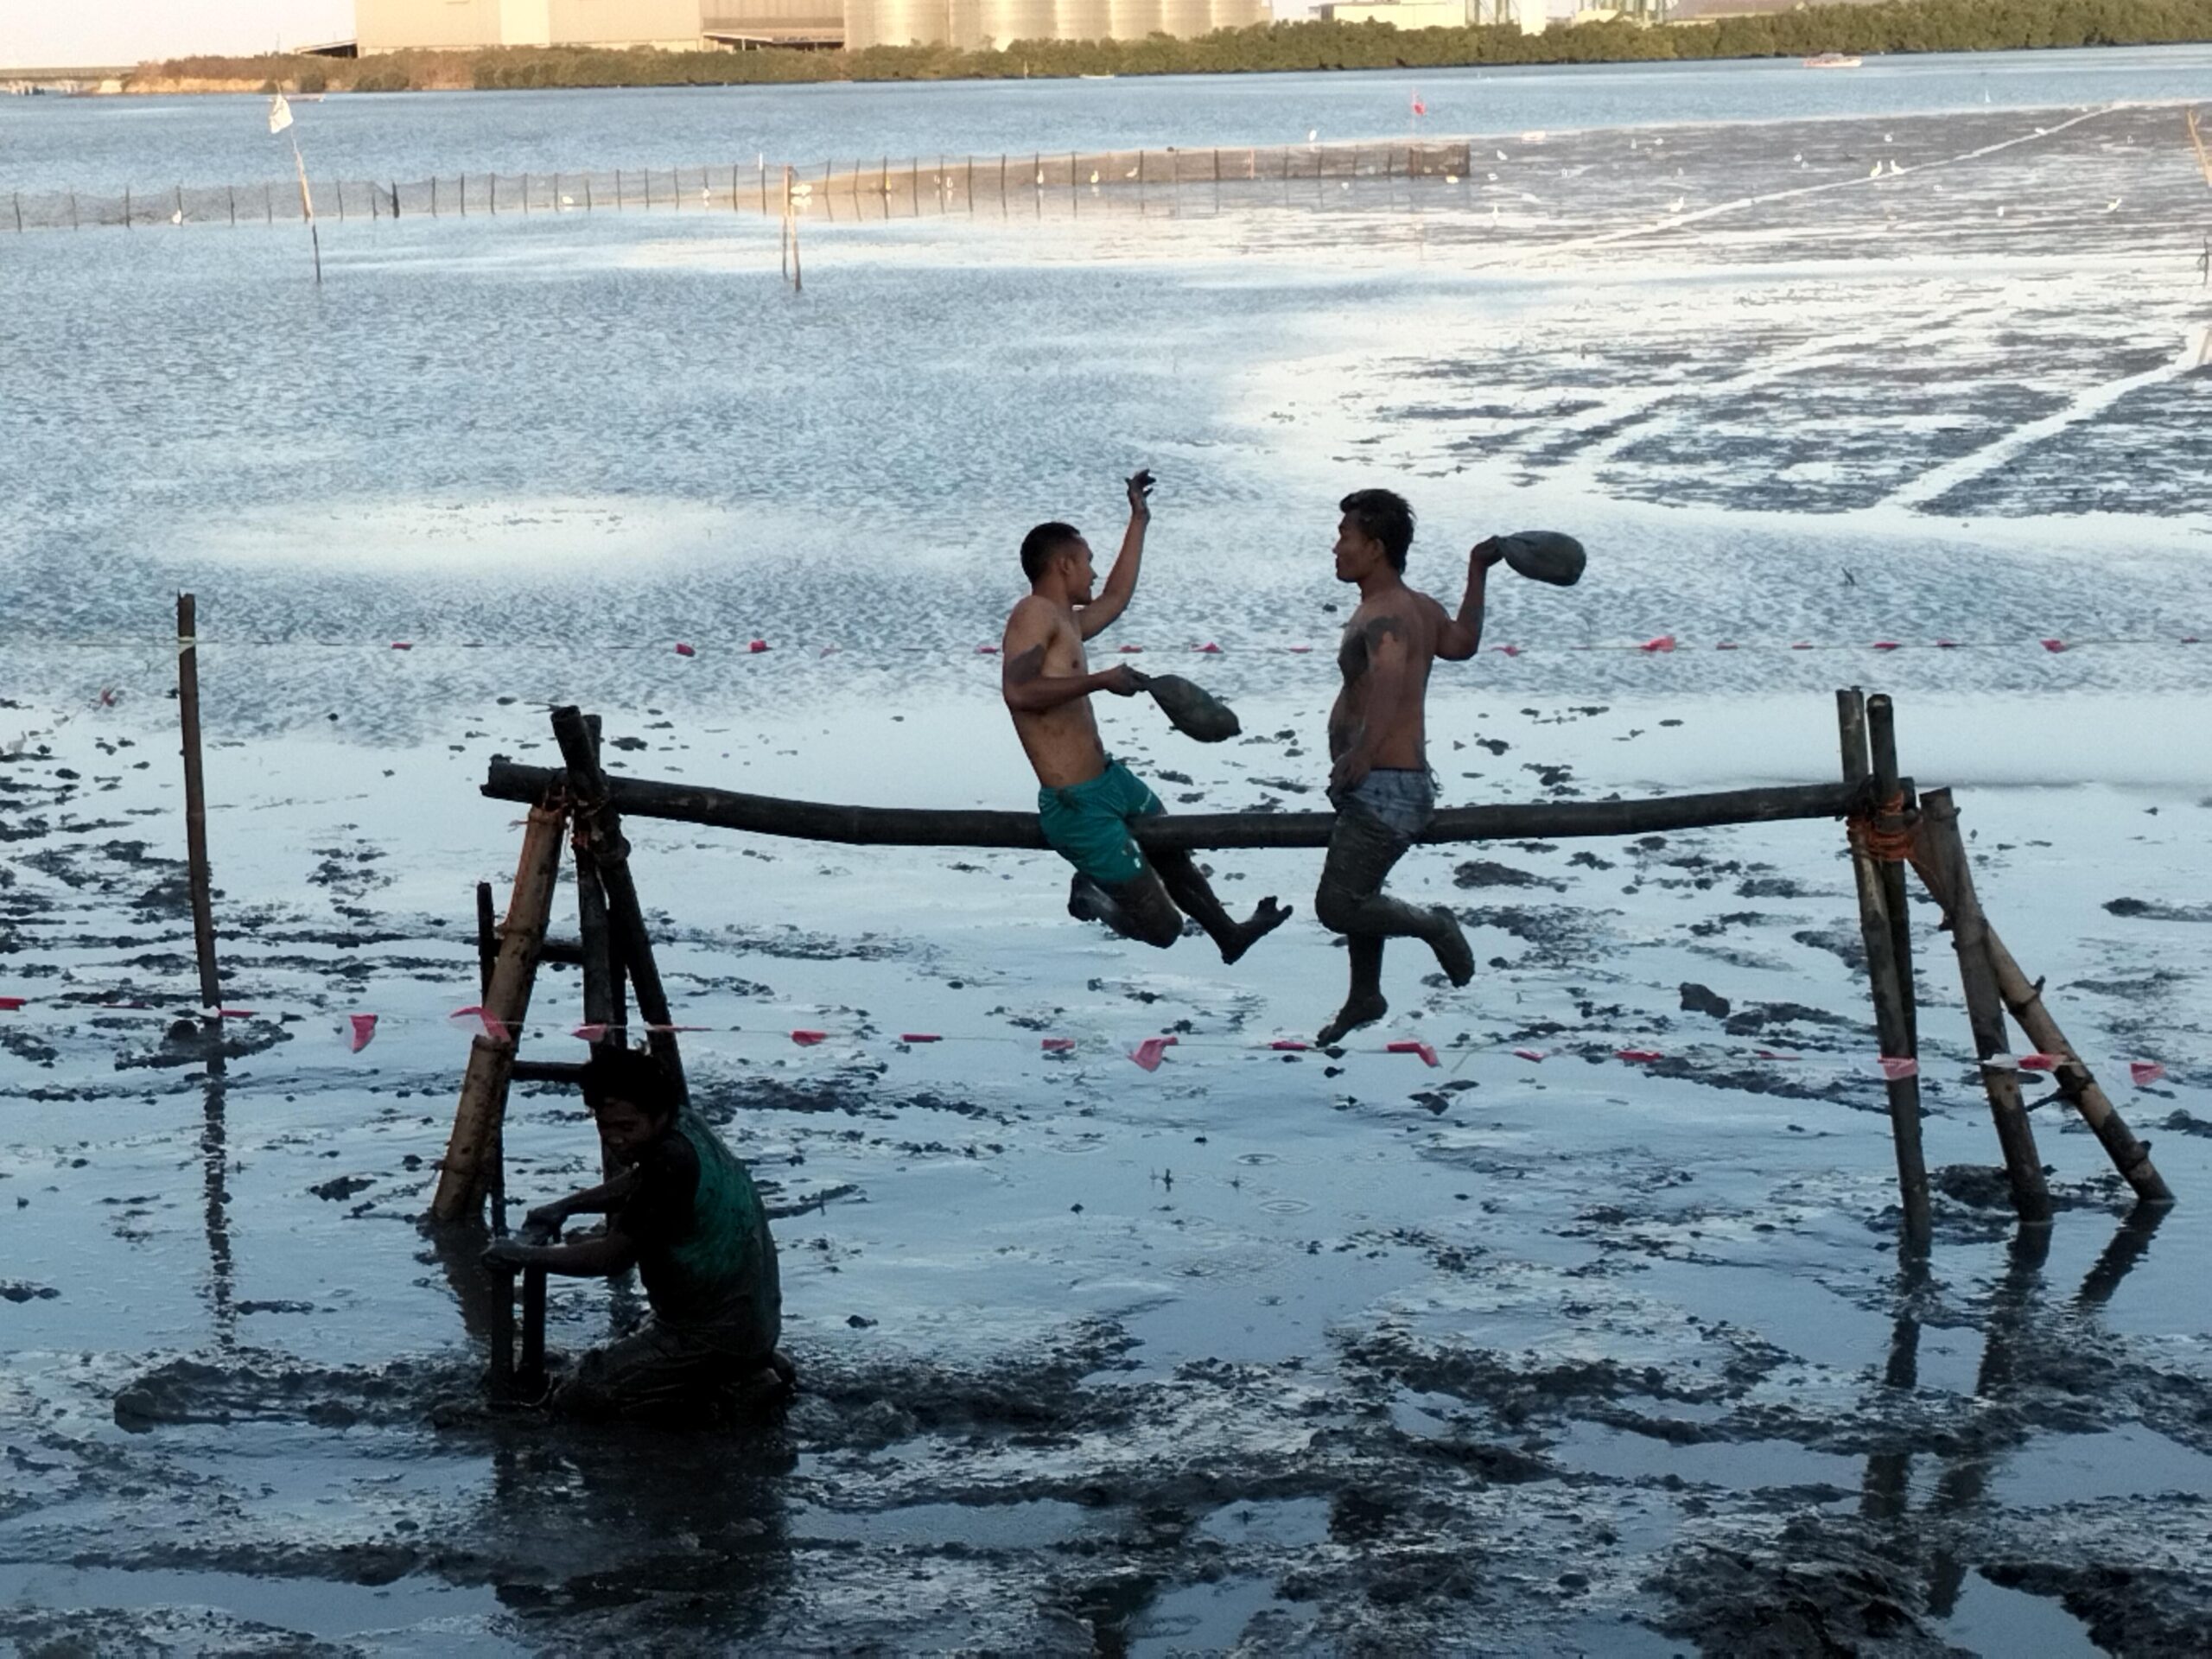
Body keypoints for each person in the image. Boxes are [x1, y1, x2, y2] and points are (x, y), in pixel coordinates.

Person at [1002, 469, 1290, 962]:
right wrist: (1101, 680)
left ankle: (1228, 933)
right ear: (1064, 564)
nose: (1093, 573)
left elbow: (1116, 597)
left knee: (1172, 850)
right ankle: (1093, 897)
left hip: (1110, 782)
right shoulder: (1033, 612)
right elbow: (1019, 691)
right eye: (1088, 563)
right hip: (1077, 805)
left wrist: (1139, 519)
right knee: (1162, 929)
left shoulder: (1066, 620)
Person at [483, 1046, 788, 1422]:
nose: (615, 1139)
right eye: (604, 1126)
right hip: (749, 1319)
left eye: (627, 1128)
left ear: (658, 1116)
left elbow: (612, 1258)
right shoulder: (684, 1128)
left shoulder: (670, 1163)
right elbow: (640, 1184)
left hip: (708, 1331)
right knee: (628, 1341)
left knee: (581, 1396)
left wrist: (524, 1256)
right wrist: (566, 1206)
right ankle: (744, 1372)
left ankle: (725, 1397)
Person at [1314, 488, 1498, 1045]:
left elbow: (1391, 681)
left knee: (1338, 905)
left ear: (1375, 546)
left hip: (1385, 785)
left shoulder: (1389, 613)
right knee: (1363, 892)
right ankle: (1364, 995)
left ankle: (1434, 925)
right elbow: (1462, 643)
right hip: (1390, 783)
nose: (1336, 547)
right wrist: (1477, 570)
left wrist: (1363, 754)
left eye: (1345, 536)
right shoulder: (1416, 605)